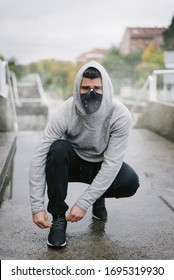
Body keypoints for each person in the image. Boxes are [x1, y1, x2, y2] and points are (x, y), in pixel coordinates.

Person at [29, 60, 139, 247]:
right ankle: (58, 220)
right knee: (57, 148)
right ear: (77, 88)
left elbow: (112, 163)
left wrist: (84, 202)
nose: (91, 92)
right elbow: (40, 155)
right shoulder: (66, 110)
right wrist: (37, 207)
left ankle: (98, 196)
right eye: (85, 87)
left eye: (97, 87)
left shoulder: (120, 115)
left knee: (130, 182)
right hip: (72, 162)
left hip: (101, 164)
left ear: (107, 88)